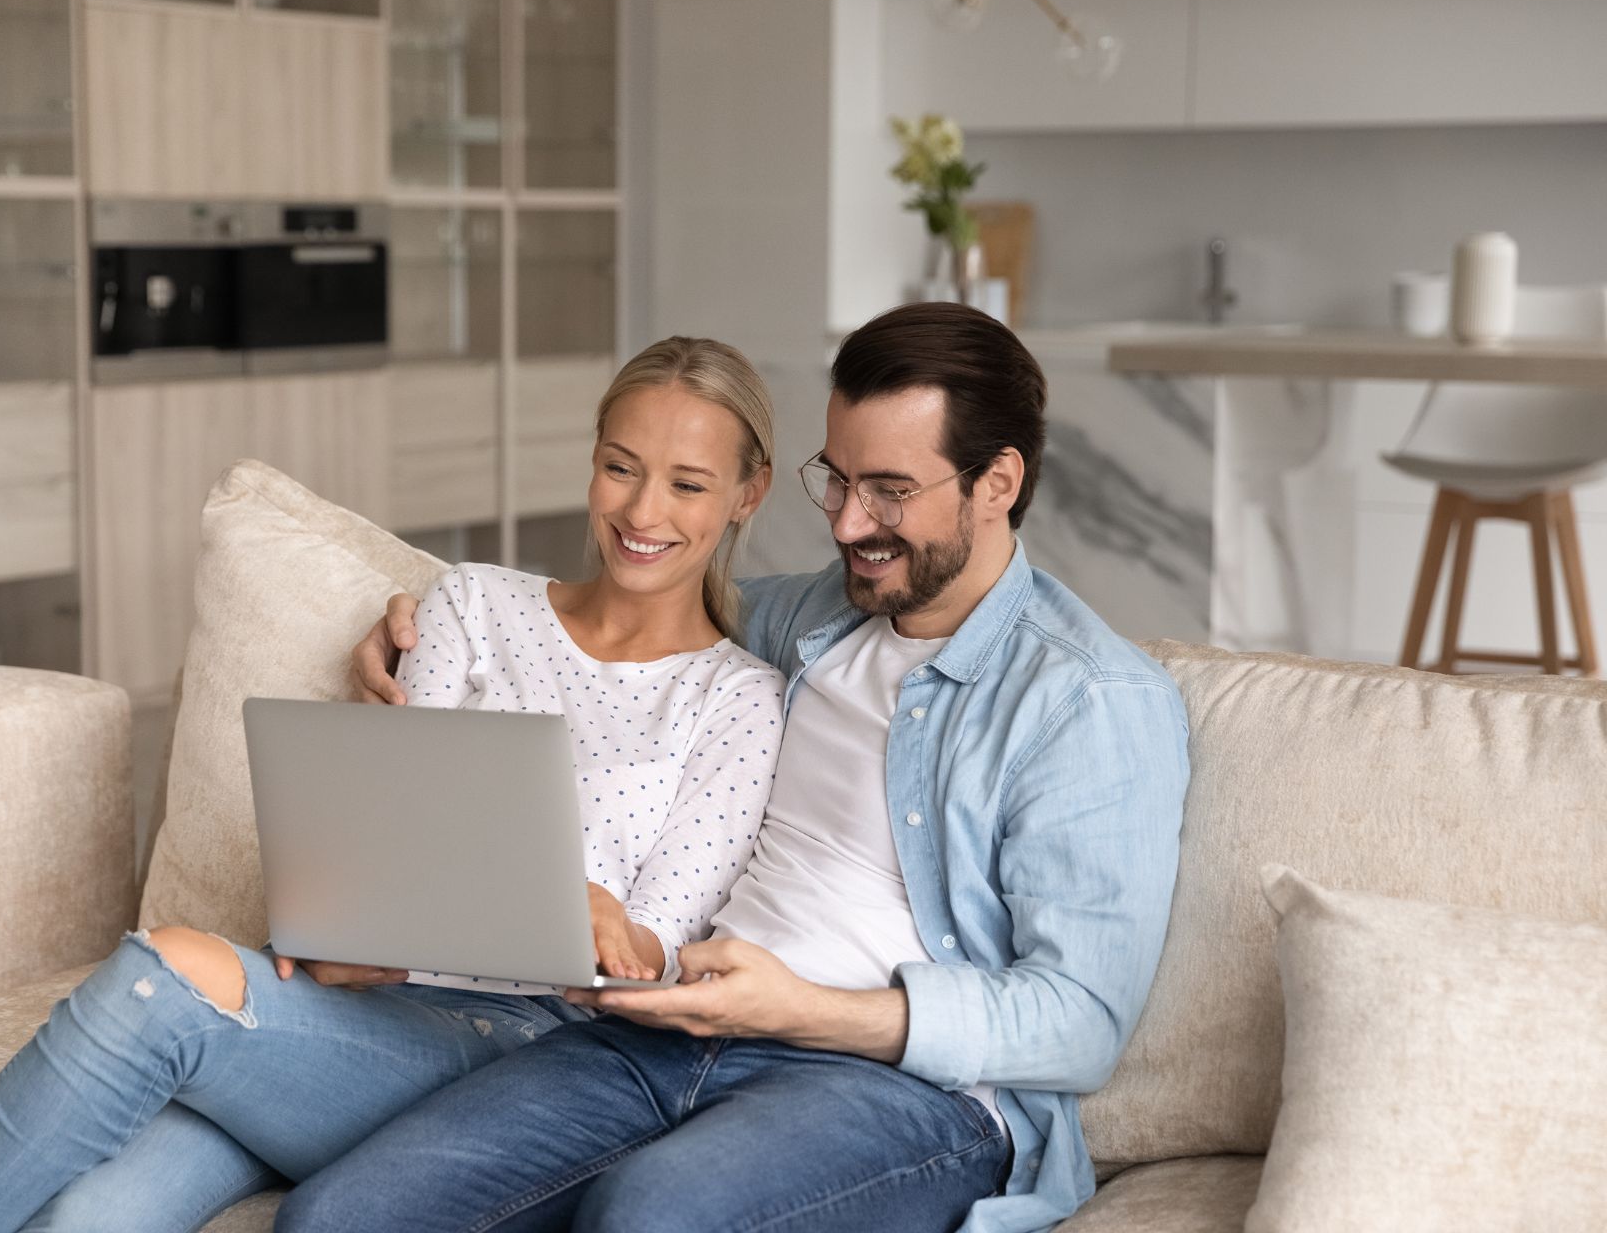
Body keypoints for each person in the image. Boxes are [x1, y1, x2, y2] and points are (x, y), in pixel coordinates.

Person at [301, 301, 1191, 1233]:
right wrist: (409, 619)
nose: (849, 525)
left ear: (997, 482)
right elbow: (614, 600)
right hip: (660, 1034)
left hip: (894, 1088)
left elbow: (1079, 1023)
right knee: (340, 1215)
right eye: (836, 481)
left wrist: (803, 1009)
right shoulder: (803, 620)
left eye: (890, 489)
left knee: (651, 1216)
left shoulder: (1088, 701)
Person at [0, 336, 787, 1233]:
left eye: (688, 483)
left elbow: (657, 963)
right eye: (620, 468)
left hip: (529, 1059)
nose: (643, 510)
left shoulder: (738, 702)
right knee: (87, 1219)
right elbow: (386, 831)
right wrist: (347, 921)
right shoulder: (473, 604)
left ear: (746, 493)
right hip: (353, 1006)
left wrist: (580, 911)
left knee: (165, 974)